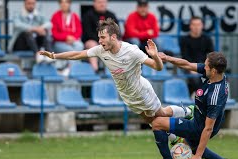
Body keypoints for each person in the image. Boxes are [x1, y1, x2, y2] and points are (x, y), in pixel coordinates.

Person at [39, 18, 191, 123]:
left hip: (142, 91)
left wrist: (156, 56)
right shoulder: (101, 50)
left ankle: (188, 112)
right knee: (150, 121)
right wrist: (53, 55)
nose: (100, 41)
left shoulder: (131, 50)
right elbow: (77, 54)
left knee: (161, 115)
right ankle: (174, 141)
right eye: (99, 37)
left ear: (113, 37)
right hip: (126, 95)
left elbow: (158, 67)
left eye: (103, 37)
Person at [150, 51, 237, 159]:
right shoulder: (214, 75)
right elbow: (187, 65)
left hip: (199, 127)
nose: (203, 67)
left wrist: (198, 156)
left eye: (206, 66)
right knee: (192, 146)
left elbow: (208, 128)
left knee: (157, 123)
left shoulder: (215, 96)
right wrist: (167, 58)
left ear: (214, 71)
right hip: (198, 117)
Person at [180, 16, 214, 95]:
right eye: (194, 25)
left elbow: (211, 56)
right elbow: (185, 56)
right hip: (189, 66)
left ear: (202, 26)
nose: (196, 27)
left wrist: (206, 67)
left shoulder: (207, 39)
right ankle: (200, 97)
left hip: (204, 66)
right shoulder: (184, 40)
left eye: (198, 25)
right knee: (195, 78)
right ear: (190, 26)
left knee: (220, 76)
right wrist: (192, 68)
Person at [82, 0, 118, 71]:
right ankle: (95, 70)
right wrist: (102, 41)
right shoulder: (88, 15)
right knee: (92, 44)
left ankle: (116, 70)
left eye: (104, 2)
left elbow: (117, 32)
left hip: (108, 41)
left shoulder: (111, 15)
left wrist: (107, 41)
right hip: (92, 41)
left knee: (118, 43)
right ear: (94, 3)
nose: (102, 4)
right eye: (99, 2)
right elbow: (87, 33)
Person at [51, 0, 83, 73]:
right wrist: (66, 37)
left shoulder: (74, 16)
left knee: (80, 45)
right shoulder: (55, 16)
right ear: (59, 4)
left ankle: (70, 69)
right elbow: (54, 33)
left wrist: (73, 38)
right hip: (59, 43)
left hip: (73, 41)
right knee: (71, 50)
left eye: (66, 2)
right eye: (62, 2)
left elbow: (79, 31)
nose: (64, 4)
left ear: (69, 4)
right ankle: (75, 71)